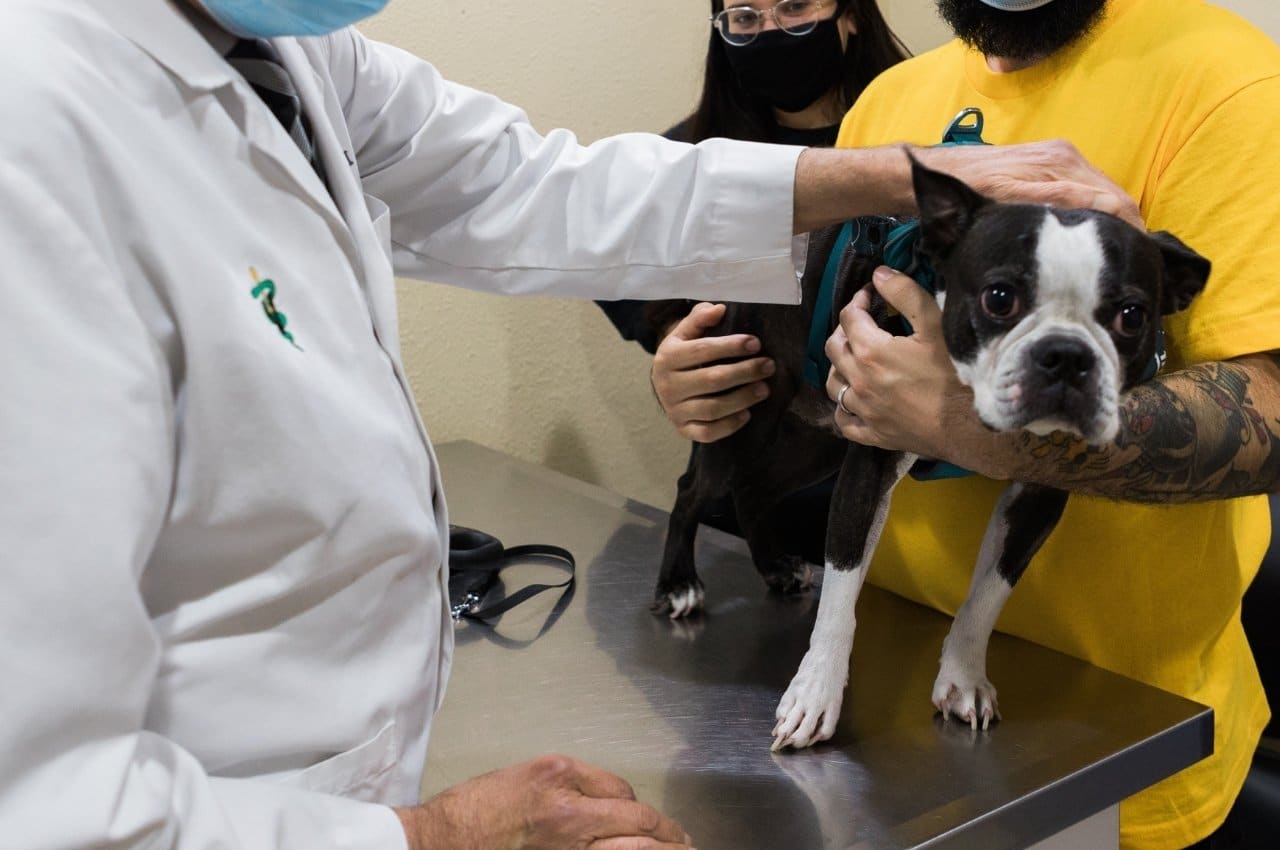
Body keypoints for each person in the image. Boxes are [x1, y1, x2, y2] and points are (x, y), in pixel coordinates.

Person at [0, 1, 1141, 849]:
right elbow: (42, 803)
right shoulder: (36, 128)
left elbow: (534, 185)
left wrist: (901, 176)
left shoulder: (282, 53)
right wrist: (435, 836)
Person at [815, 1, 1279, 848]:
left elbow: (1275, 410)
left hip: (1120, 733)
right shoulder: (889, 98)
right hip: (870, 704)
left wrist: (970, 427)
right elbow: (845, 353)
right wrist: (711, 384)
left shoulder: (1232, 81)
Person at [599, 0, 909, 562]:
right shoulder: (690, 159)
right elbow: (602, 254)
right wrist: (675, 349)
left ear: (851, 13)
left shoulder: (920, 135)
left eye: (793, 7)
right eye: (745, 18)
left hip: (905, 512)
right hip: (748, 511)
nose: (771, 32)